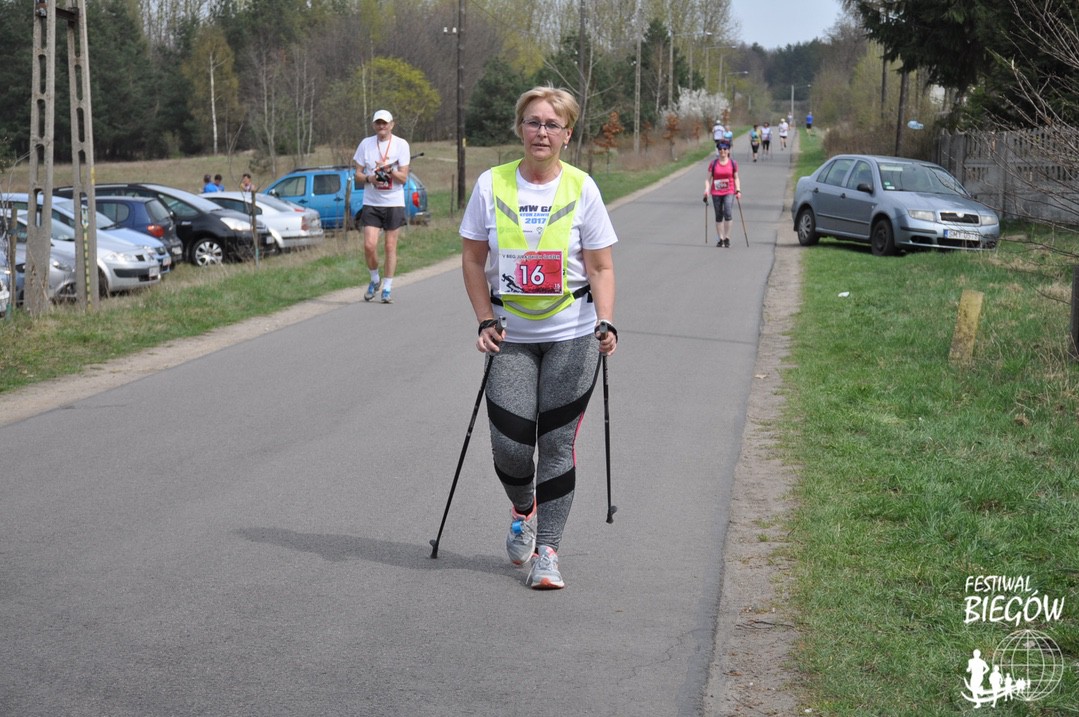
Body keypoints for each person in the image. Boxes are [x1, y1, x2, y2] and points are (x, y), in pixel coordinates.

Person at [459, 85, 618, 590]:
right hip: (510, 335)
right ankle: (523, 508)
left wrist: (606, 321)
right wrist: (484, 319)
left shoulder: (582, 187)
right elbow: (472, 260)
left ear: (567, 134)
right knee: (509, 447)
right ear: (520, 128)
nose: (541, 132)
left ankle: (547, 550)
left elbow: (601, 266)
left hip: (573, 333)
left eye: (552, 124)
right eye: (533, 122)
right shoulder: (490, 184)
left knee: (555, 443)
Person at [352, 109, 411, 303]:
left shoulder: (401, 144)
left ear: (392, 125)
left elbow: (404, 178)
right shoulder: (365, 144)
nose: (381, 126)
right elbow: (357, 175)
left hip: (393, 202)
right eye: (378, 123)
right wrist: (370, 178)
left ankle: (387, 288)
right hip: (372, 202)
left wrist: (389, 170)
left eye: (385, 123)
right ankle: (375, 279)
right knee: (369, 245)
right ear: (373, 125)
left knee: (390, 246)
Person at [703, 140, 741, 248]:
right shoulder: (713, 164)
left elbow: (736, 178)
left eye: (725, 149)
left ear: (728, 150)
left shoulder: (733, 163)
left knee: (728, 212)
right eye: (720, 149)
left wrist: (738, 190)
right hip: (716, 192)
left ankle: (727, 238)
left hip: (729, 191)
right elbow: (707, 179)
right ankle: (721, 238)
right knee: (718, 215)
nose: (722, 151)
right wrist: (706, 190)